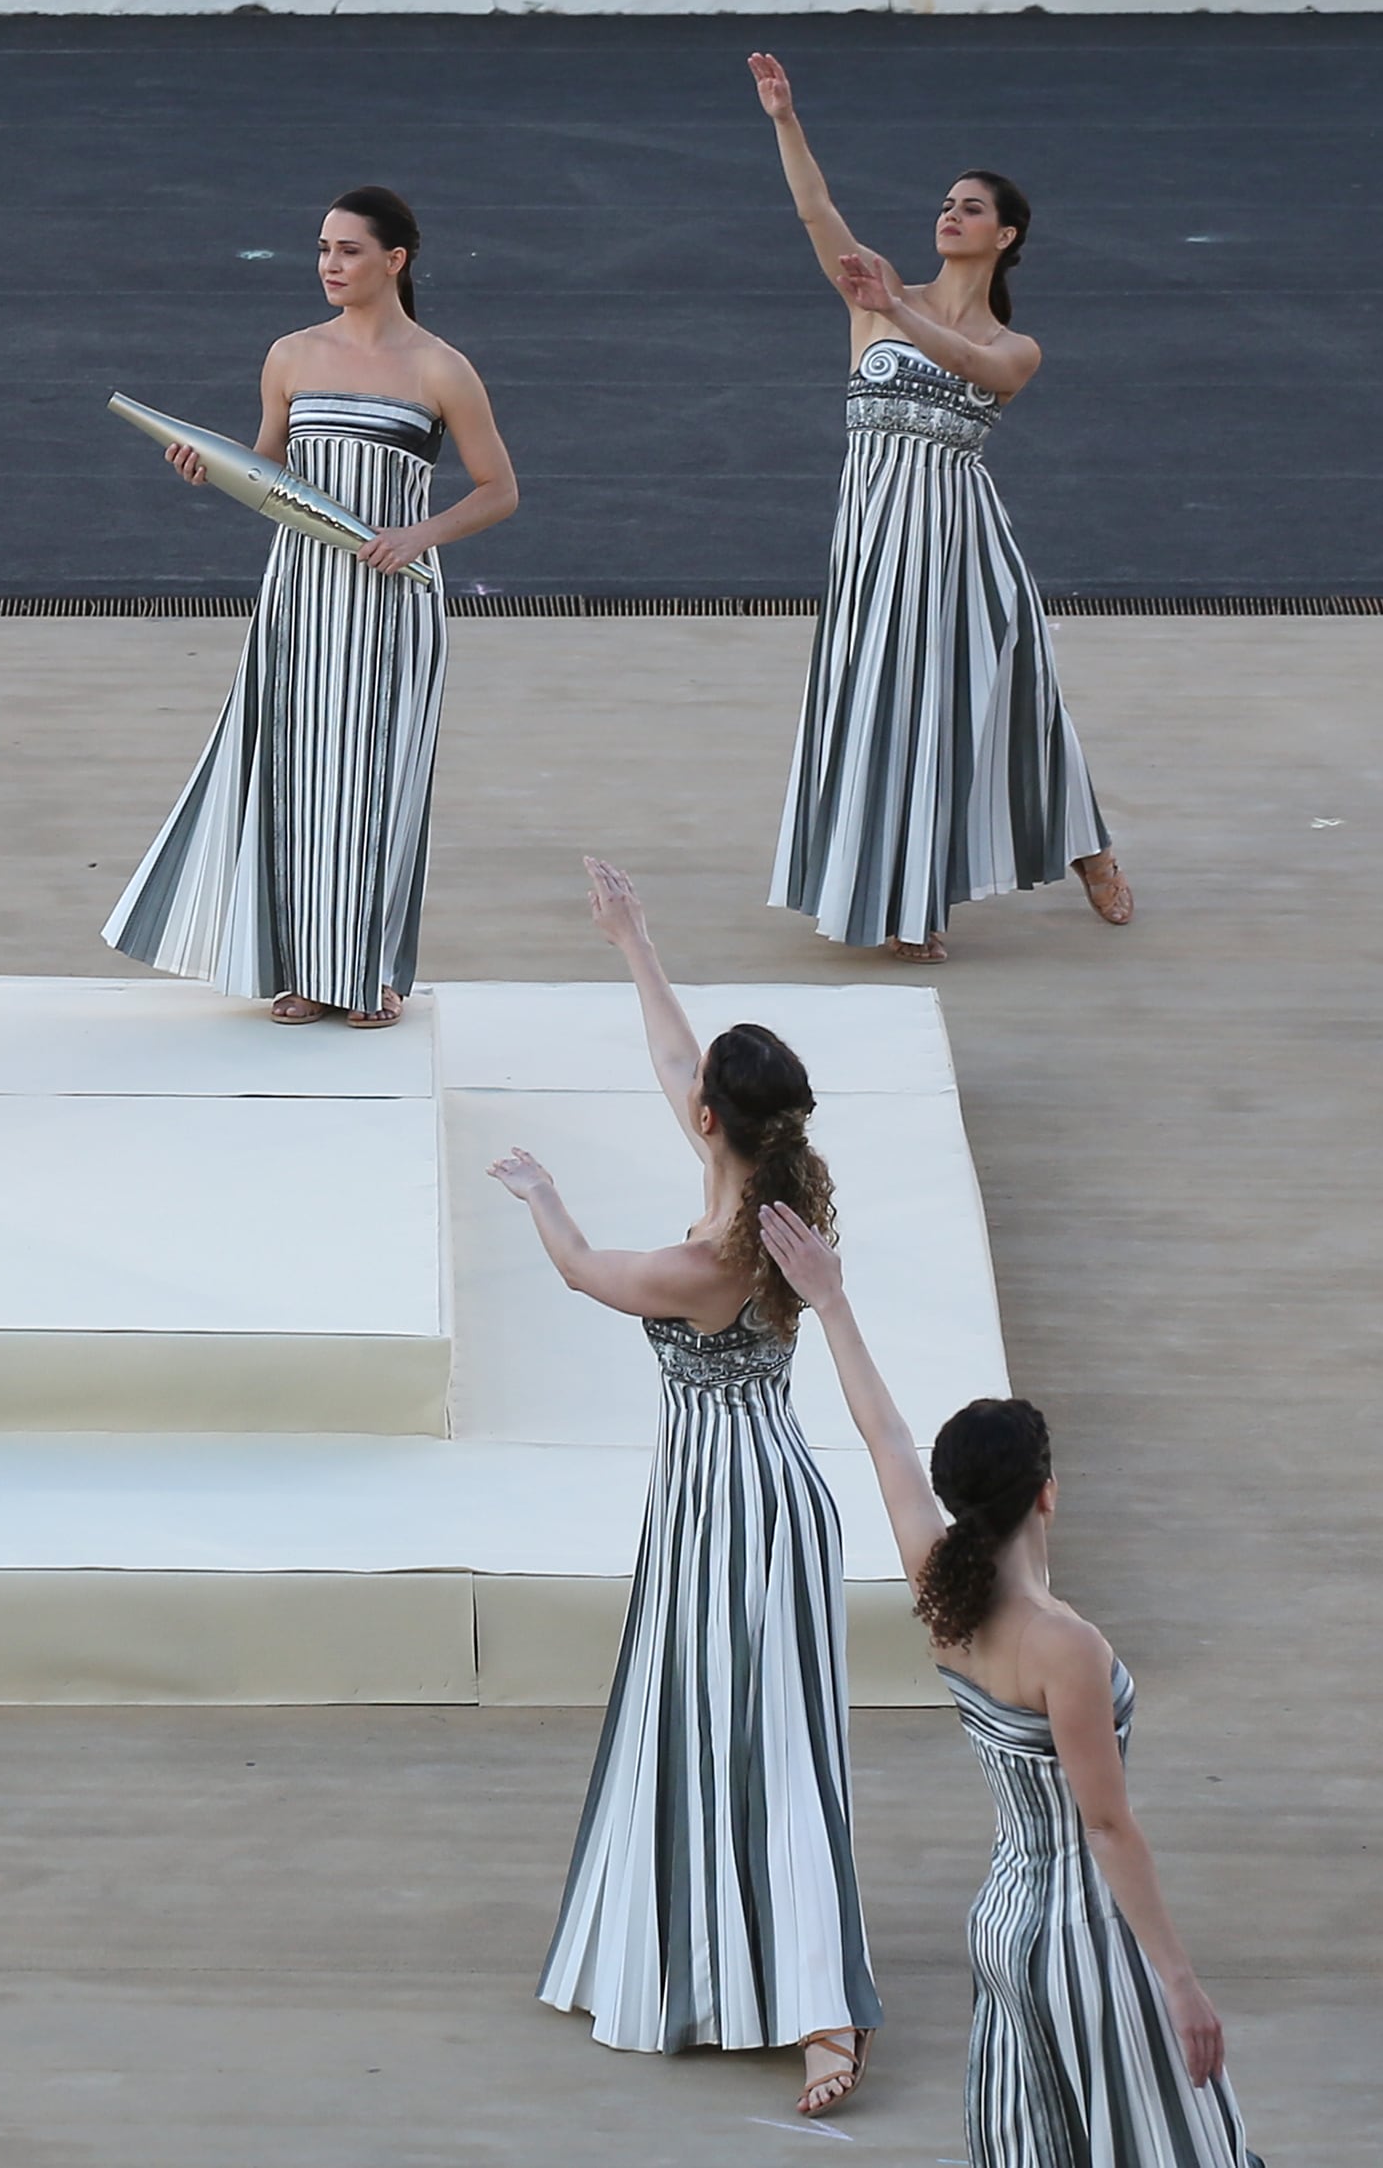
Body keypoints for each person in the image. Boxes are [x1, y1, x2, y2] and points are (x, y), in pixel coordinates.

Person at [486, 857, 879, 2115]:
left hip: (738, 1508)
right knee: (740, 1730)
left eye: (700, 1092)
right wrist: (633, 939)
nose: (685, 1089)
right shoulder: (769, 1178)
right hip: (740, 1489)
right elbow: (677, 1062)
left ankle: (821, 2012)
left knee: (751, 1730)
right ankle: (748, 1966)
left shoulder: (714, 1253)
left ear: (720, 1118)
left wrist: (544, 1199)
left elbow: (590, 1274)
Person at [759, 1208, 1262, 2164]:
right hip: (1083, 1939)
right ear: (1045, 1492)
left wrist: (831, 1303)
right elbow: (1105, 1827)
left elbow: (886, 1441)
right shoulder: (1060, 1645)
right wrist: (1181, 1981)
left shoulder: (939, 1591)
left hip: (1001, 1926)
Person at [747, 52, 1130, 961]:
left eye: (971, 208)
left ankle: (1087, 847)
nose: (949, 214)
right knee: (883, 702)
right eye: (946, 203)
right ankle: (899, 898)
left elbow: (972, 368)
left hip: (957, 533)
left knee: (1014, 699)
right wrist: (783, 120)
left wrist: (900, 312)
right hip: (875, 528)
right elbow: (815, 212)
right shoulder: (877, 297)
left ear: (1003, 237)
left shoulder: (1013, 344)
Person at [104, 186, 517, 1027]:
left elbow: (498, 490)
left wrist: (417, 535)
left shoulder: (440, 366)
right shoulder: (289, 355)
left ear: (394, 259)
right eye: (323, 249)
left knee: (376, 780)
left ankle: (368, 973)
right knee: (296, 778)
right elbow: (266, 476)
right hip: (298, 596)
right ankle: (300, 969)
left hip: (392, 601)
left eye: (349, 251)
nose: (330, 265)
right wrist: (204, 467)